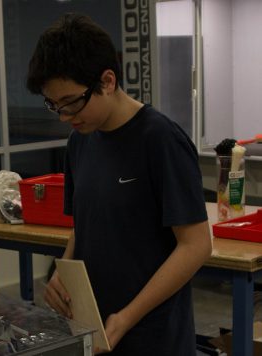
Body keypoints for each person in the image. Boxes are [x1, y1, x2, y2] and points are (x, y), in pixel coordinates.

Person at [27, 13, 212, 355]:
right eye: (55, 106)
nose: (66, 117)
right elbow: (83, 226)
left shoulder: (160, 140)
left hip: (153, 336)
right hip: (97, 328)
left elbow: (196, 246)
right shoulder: (80, 141)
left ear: (108, 81)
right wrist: (62, 273)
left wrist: (127, 317)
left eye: (71, 103)